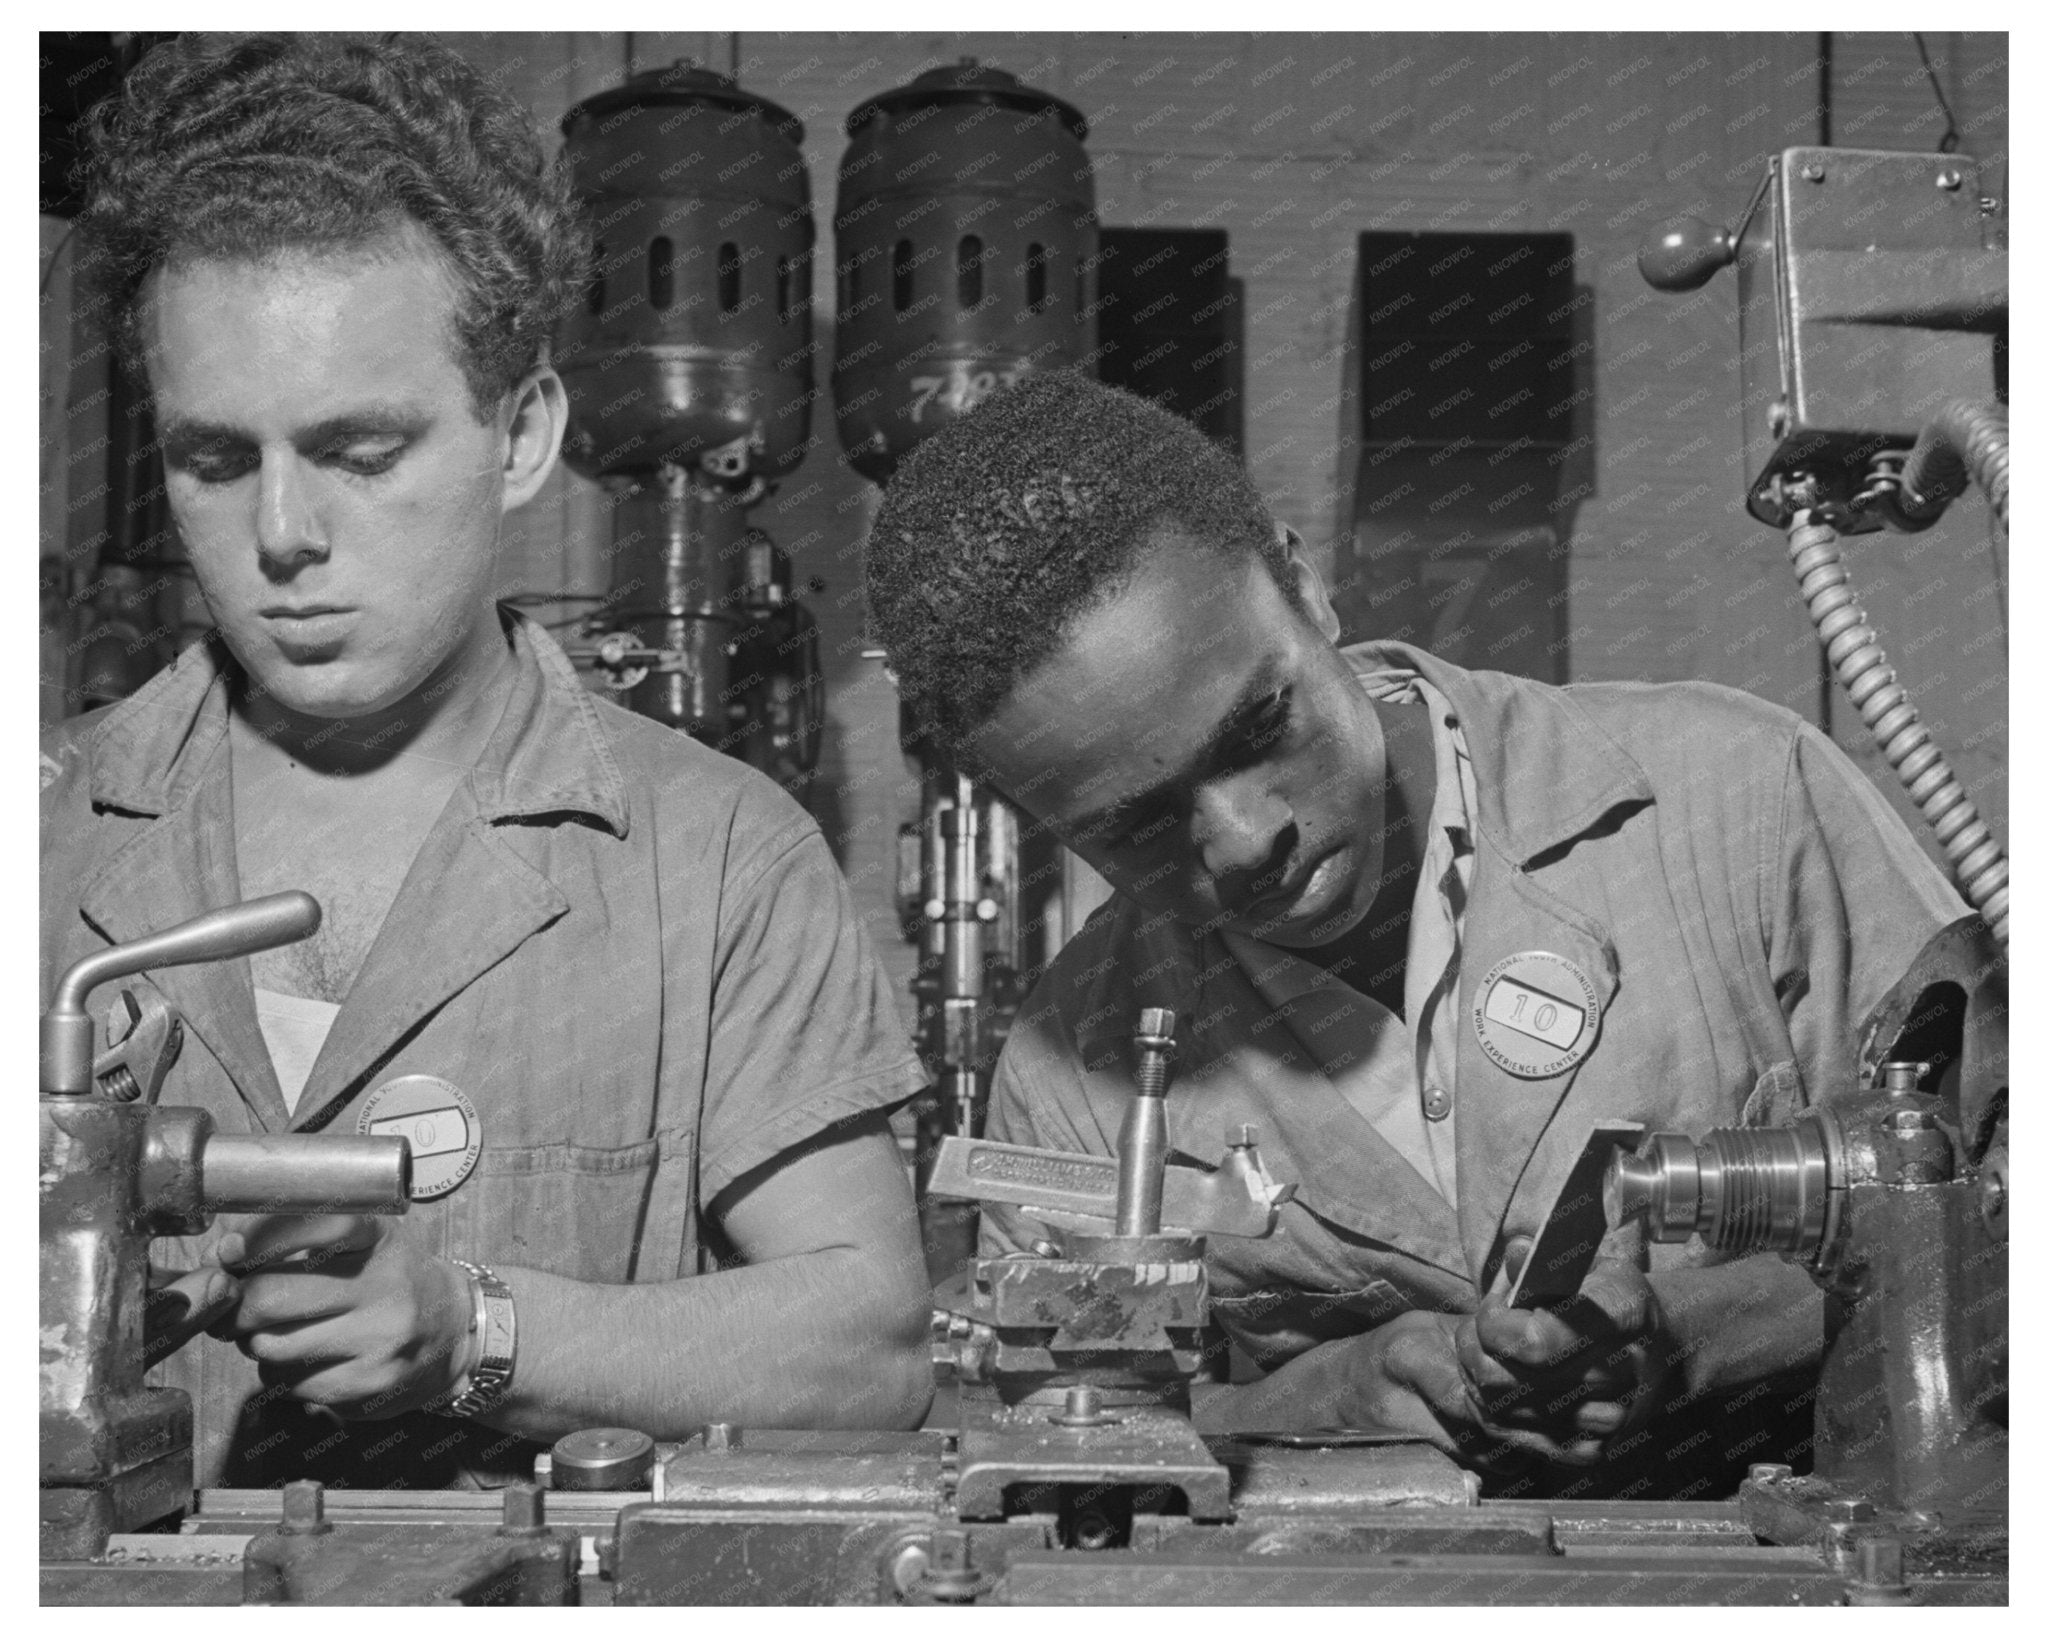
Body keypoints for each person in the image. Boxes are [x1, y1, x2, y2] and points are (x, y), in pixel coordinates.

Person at [40, 33, 932, 1491]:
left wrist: (476, 1327)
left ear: (522, 435)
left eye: (361, 450)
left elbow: (873, 1346)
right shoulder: (43, 841)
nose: (282, 533)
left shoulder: (713, 858)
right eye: (214, 459)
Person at [862, 368, 1972, 1496]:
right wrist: (1332, 1395)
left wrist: (1693, 1341)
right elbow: (1058, 1436)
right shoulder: (1071, 1080)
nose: (1244, 840)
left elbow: (2002, 1214)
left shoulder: (1736, 798)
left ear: (1303, 586)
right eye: (1135, 827)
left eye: (1257, 726)